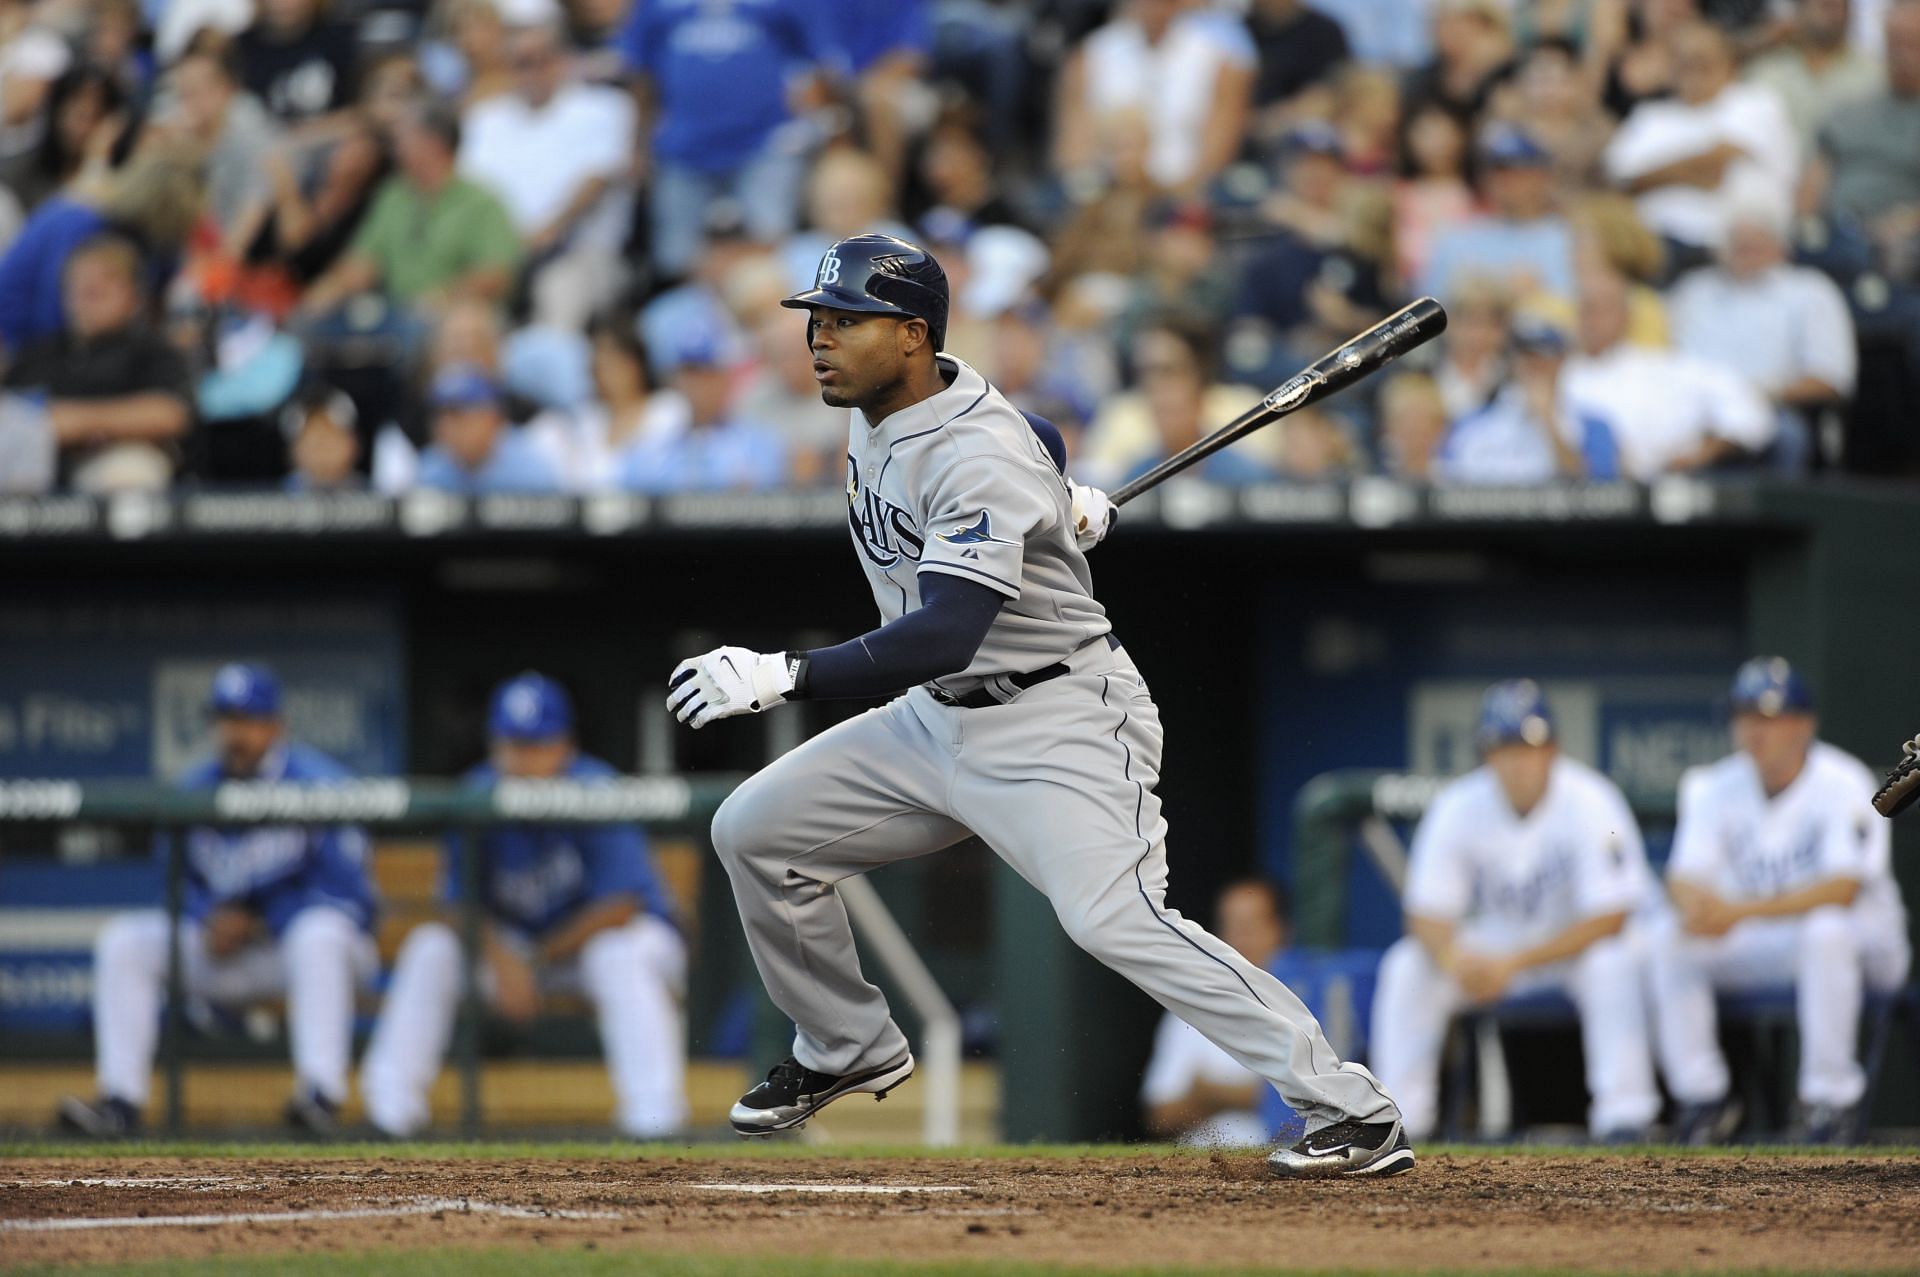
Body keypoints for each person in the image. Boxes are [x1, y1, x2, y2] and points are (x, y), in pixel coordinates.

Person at [663, 233, 1414, 1178]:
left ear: (909, 335)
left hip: (1057, 716)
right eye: (818, 317)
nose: (819, 336)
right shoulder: (893, 399)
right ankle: (845, 1043)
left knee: (1116, 921)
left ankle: (1352, 1109)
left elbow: (946, 632)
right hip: (935, 720)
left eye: (844, 320)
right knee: (754, 832)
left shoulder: (973, 452)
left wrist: (787, 673)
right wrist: (1056, 495)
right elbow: (1034, 444)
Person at [56, 663, 379, 1138]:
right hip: (223, 950)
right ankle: (119, 1102)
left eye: (247, 721)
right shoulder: (193, 790)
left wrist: (263, 920)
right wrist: (208, 917)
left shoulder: (323, 785)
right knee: (126, 942)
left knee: (319, 935)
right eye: (226, 720)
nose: (234, 734)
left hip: (300, 949)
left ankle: (320, 1097)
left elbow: (352, 898)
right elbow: (175, 884)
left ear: (276, 726)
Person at [360, 672, 687, 1138]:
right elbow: (456, 905)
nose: (523, 759)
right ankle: (390, 1111)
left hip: (597, 945)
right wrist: (505, 960)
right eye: (512, 744)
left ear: (565, 746)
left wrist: (532, 962)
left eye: (537, 745)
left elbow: (621, 906)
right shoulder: (477, 793)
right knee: (431, 948)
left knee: (617, 955)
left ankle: (654, 1119)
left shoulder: (596, 789)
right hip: (514, 950)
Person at [1371, 680, 1661, 1143]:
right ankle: (1399, 1122)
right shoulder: (1459, 804)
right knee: (1408, 964)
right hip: (1495, 952)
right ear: (1487, 753)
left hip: (1572, 949)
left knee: (1614, 961)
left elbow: (1611, 917)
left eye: (1529, 746)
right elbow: (1425, 914)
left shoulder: (1591, 798)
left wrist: (1511, 964)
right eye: (1505, 746)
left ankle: (1624, 1117)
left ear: (1552, 750)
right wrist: (1455, 962)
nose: (1518, 760)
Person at [1649, 658, 1911, 1144]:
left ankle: (1828, 1103)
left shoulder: (1845, 780)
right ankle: (1704, 1100)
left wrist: (1735, 912)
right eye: (1747, 717)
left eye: (1770, 717)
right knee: (1671, 939)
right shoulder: (1717, 785)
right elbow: (1682, 876)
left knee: (1826, 930)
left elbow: (1843, 890)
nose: (1756, 730)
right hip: (1770, 940)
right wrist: (1693, 906)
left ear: (1803, 724)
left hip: (1866, 941)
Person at [617, 0, 827, 278]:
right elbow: (640, 71)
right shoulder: (656, 5)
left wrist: (808, 122)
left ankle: (766, 316)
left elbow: (813, 61)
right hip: (683, 148)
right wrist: (637, 144)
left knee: (771, 244)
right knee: (676, 258)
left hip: (764, 142)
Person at [458, 20, 635, 330]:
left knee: (558, 301)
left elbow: (595, 183)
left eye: (544, 59)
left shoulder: (605, 107)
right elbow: (468, 193)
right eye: (522, 63)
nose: (534, 71)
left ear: (564, 59)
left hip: (577, 254)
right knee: (463, 313)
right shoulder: (485, 119)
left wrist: (544, 234)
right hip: (498, 256)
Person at [1667, 196, 1856, 466]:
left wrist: (1760, 393)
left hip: (1770, 405)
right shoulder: (1692, 290)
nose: (1744, 250)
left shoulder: (1810, 291)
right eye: (1736, 243)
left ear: (1781, 246)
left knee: (1786, 434)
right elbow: (1664, 356)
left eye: (1755, 243)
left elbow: (1830, 379)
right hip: (1691, 408)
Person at [3, 234, 195, 492]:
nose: (86, 296)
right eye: (78, 287)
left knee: (129, 473)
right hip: (36, 461)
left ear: (134, 295)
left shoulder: (151, 349)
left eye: (100, 287)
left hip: (113, 457)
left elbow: (171, 414)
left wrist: (77, 421)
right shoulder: (40, 353)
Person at [297, 103, 521, 320]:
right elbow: (364, 262)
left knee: (464, 323)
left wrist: (441, 300)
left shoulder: (482, 202)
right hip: (398, 317)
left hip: (456, 317)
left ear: (433, 144)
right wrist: (331, 288)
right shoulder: (393, 196)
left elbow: (496, 274)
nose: (395, 147)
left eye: (404, 138)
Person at [1558, 264, 1774, 478]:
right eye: (1585, 309)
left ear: (1626, 317)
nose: (1592, 321)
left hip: (1665, 486)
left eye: (1603, 310)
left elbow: (1750, 415)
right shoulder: (1558, 374)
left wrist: (1706, 452)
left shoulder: (1665, 366)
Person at [1603, 21, 1798, 256]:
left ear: (1729, 63)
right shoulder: (1649, 116)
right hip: (1654, 246)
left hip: (1728, 248)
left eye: (1702, 60)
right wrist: (1691, 173)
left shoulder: (1753, 102)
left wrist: (1649, 178)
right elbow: (1617, 182)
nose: (1692, 69)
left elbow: (1717, 163)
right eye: (1683, 61)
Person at [1141, 879, 1292, 1146]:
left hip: (1285, 1163)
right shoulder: (1191, 1005)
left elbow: (1319, 1103)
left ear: (1281, 930)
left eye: (1251, 926)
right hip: (1206, 1168)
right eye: (1231, 927)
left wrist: (1212, 1093)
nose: (1240, 938)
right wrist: (1258, 1095)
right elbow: (1160, 1116)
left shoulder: (1311, 1001)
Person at [1052, 0, 1257, 197]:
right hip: (1107, 193)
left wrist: (1170, 197)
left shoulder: (1221, 57)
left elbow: (1217, 149)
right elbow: (1073, 146)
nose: (1152, 6)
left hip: (1184, 196)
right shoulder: (1089, 55)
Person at [1811, 0, 1920, 270]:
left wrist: (1903, 223)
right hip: (1836, 233)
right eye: (1894, 42)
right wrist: (1807, 223)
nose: (1901, 53)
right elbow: (1813, 178)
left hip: (1900, 240)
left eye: (1912, 43)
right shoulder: (1852, 108)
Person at [615, 325, 785, 493]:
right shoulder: (653, 450)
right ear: (677, 381)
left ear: (726, 378)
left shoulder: (758, 445)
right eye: (690, 373)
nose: (698, 385)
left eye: (708, 373)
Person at [1420, 125, 1575, 304]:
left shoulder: (1566, 238)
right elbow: (1434, 309)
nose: (1504, 182)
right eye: (1497, 171)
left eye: (1516, 172)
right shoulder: (1456, 238)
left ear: (1542, 176)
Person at [1745, 0, 1885, 151]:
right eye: (1826, 6)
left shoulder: (1876, 74)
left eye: (1842, 7)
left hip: (1851, 170)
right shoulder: (1767, 71)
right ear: (1800, 11)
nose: (1836, 15)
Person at [414, 363, 563, 494]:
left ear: (493, 418)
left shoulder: (531, 470)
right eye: (440, 415)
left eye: (457, 414)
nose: (446, 425)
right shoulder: (430, 471)